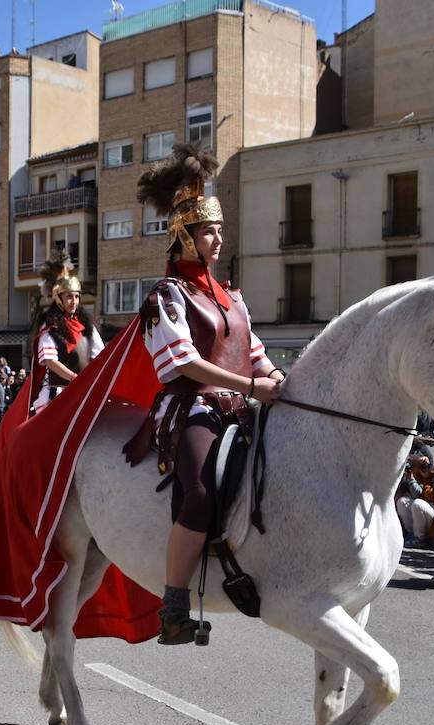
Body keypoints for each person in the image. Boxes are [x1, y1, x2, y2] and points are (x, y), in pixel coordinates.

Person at [126, 144, 284, 643]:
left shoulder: (231, 296)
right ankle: (173, 609)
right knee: (198, 494)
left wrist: (276, 376)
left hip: (241, 407)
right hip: (193, 407)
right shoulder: (165, 296)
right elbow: (184, 364)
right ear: (185, 236)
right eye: (208, 231)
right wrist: (254, 387)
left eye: (218, 229)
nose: (218, 238)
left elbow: (253, 350)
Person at [28, 251, 104, 415]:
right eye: (69, 297)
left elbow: (99, 356)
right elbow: (50, 361)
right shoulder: (50, 327)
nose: (74, 301)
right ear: (58, 299)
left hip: (85, 391)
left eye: (77, 297)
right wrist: (74, 378)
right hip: (57, 393)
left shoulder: (87, 327)